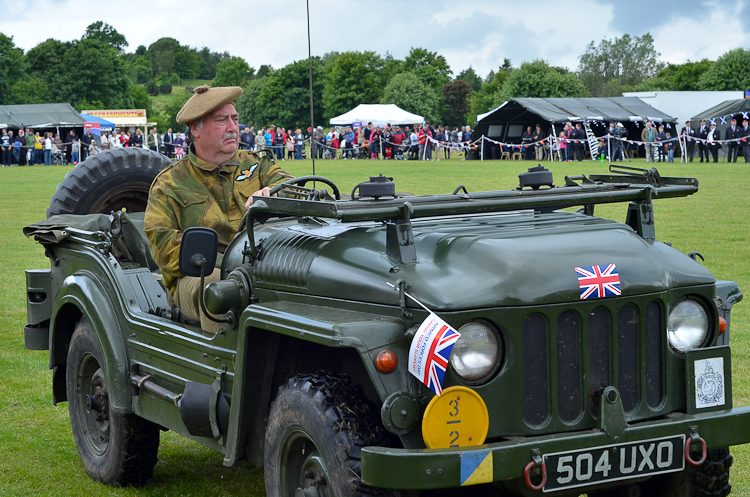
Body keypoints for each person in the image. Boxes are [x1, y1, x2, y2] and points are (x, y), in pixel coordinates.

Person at [144, 85, 293, 333]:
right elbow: (163, 244)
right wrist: (231, 263)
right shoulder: (170, 183)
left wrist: (272, 194)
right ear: (195, 129)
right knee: (222, 288)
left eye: (235, 119)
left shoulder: (258, 165)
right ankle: (226, 368)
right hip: (198, 276)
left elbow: (294, 189)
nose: (233, 127)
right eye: (221, 120)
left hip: (263, 265)